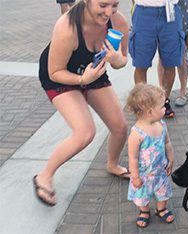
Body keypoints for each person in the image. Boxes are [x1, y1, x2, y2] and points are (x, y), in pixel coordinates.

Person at [34, 0, 130, 206]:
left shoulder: (118, 21)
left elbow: (123, 60)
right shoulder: (67, 27)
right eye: (103, 5)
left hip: (93, 71)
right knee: (85, 133)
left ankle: (112, 164)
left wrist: (115, 59)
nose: (108, 12)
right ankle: (45, 175)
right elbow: (55, 71)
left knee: (120, 127)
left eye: (114, 5)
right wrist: (81, 80)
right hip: (61, 76)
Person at [126, 84, 175, 228]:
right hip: (143, 175)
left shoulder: (161, 124)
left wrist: (170, 159)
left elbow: (167, 143)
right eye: (162, 107)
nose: (165, 108)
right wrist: (135, 177)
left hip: (160, 171)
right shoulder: (136, 135)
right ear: (149, 112)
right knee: (142, 196)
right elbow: (133, 158)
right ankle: (144, 211)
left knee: (163, 193)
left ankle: (161, 209)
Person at [129, 0, 185, 118]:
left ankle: (163, 102)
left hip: (170, 11)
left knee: (170, 63)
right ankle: (142, 105)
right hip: (144, 11)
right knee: (141, 63)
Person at [158, 0, 188, 107]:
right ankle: (162, 91)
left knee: (181, 58)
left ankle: (183, 91)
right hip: (164, 20)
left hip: (184, 23)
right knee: (162, 57)